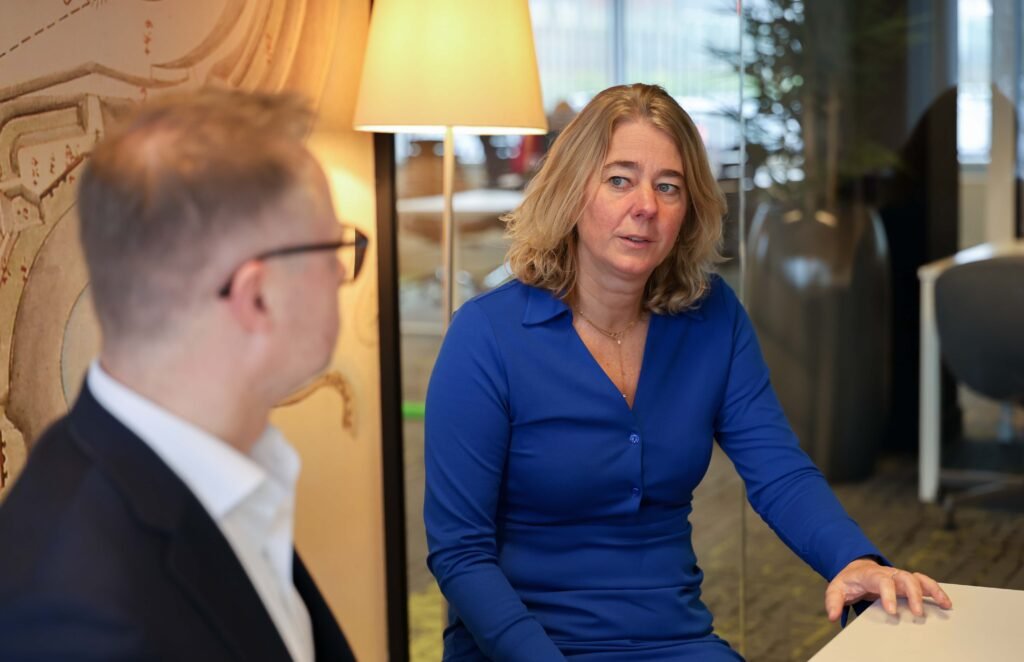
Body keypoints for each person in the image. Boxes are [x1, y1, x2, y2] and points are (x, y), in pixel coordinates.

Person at [423, 83, 952, 661]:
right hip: (522, 646)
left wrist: (854, 560)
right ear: (573, 193)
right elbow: (460, 553)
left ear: (686, 209)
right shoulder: (486, 336)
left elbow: (778, 470)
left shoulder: (713, 317)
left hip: (673, 641)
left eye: (668, 186)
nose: (645, 205)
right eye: (619, 179)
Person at [0, 89, 365, 661]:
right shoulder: (82, 617)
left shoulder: (216, 473)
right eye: (331, 245)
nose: (343, 267)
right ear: (257, 297)